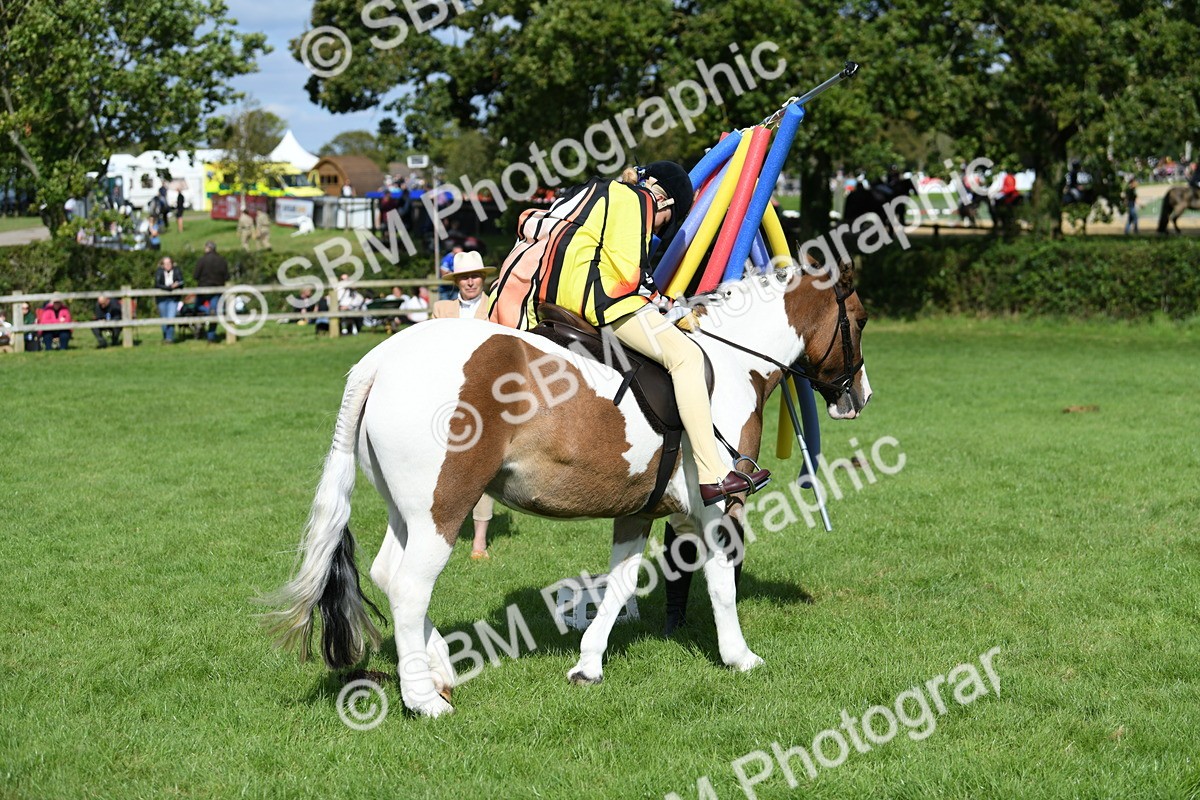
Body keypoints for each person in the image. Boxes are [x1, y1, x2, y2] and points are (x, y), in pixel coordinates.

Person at [488, 161, 770, 506]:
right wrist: (672, 307)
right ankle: (713, 475)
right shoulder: (638, 202)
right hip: (596, 299)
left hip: (543, 294)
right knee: (687, 357)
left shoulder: (589, 190)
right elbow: (629, 279)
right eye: (667, 222)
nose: (659, 229)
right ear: (665, 203)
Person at [433, 250, 500, 557]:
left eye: (474, 276)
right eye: (464, 278)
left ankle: (479, 540)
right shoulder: (442, 309)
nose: (470, 282)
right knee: (442, 461)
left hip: (487, 392)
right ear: (456, 281)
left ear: (482, 278)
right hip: (448, 390)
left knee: (481, 464)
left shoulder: (495, 307)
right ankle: (442, 526)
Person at [193, 241, 229, 342]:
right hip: (217, 289)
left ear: (207, 248)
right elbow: (227, 276)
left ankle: (206, 312)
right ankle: (211, 336)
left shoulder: (202, 260)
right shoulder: (222, 260)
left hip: (203, 289)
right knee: (215, 312)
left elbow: (195, 275)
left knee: (197, 307)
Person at [154, 256, 183, 343]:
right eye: (166, 263)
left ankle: (169, 338)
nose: (168, 265)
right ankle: (165, 335)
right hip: (162, 299)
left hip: (173, 299)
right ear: (162, 265)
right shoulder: (159, 272)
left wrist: (177, 284)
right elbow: (157, 284)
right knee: (164, 318)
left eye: (169, 263)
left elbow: (181, 281)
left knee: (171, 317)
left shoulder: (177, 270)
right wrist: (169, 288)